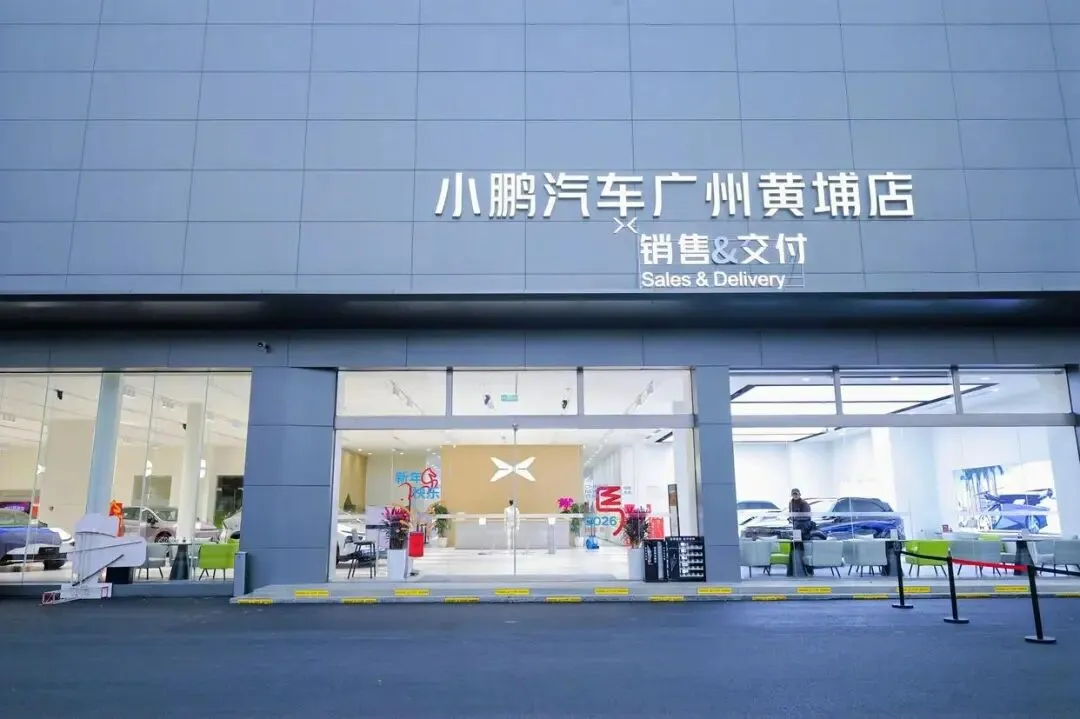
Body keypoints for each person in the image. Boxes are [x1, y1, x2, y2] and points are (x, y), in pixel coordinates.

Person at [788, 489, 814, 576]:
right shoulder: (791, 503)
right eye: (793, 494)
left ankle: (806, 570)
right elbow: (791, 515)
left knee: (802, 548)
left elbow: (807, 517)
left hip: (804, 529)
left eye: (796, 494)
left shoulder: (804, 504)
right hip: (796, 528)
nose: (795, 495)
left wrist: (795, 518)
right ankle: (794, 570)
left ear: (799, 494)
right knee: (794, 546)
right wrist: (791, 518)